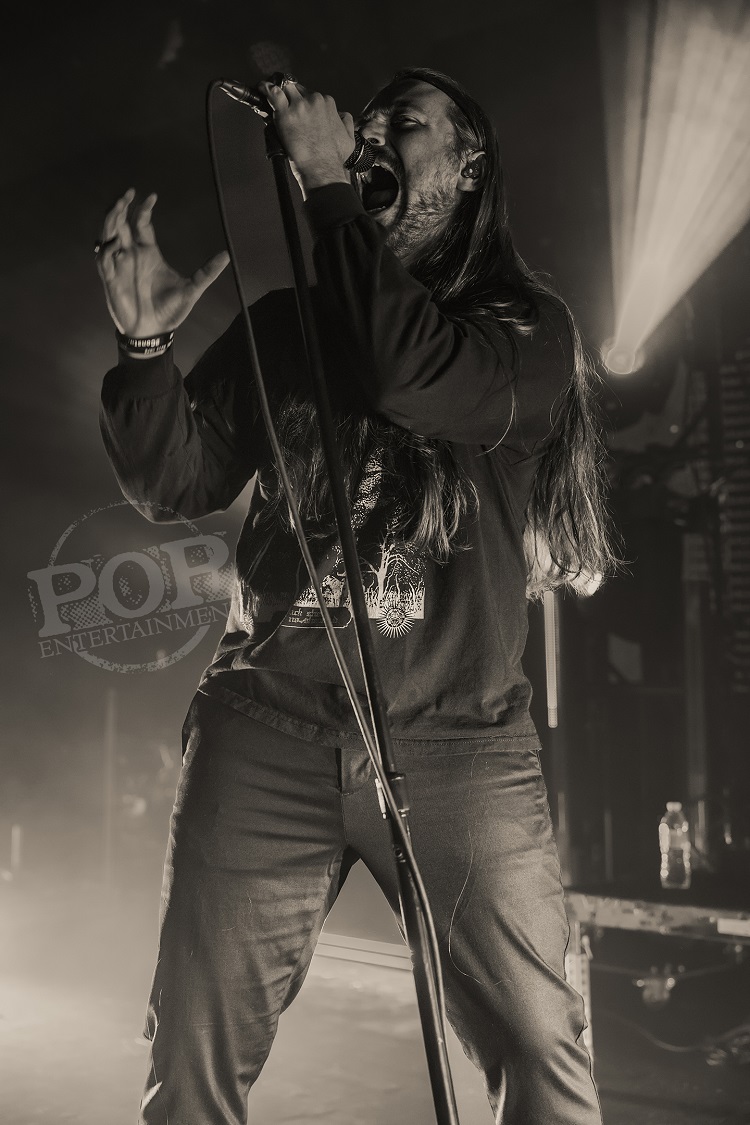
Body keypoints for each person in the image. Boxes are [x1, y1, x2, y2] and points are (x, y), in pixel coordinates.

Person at [97, 67, 614, 1125]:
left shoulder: (525, 330)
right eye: (362, 127)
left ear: (468, 167)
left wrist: (329, 189)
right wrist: (145, 353)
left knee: (544, 1057)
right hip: (267, 725)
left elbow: (410, 376)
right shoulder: (291, 322)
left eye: (404, 125)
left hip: (458, 744)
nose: (371, 138)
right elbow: (175, 482)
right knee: (191, 1062)